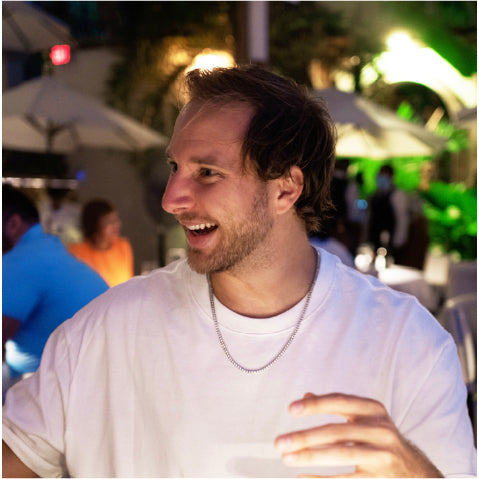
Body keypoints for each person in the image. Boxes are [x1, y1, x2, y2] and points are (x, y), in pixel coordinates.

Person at [2, 66, 475, 478]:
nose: (171, 199)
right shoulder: (101, 332)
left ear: (286, 189)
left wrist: (411, 471)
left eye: (207, 172)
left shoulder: (406, 342)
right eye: (174, 167)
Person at [2, 185, 108, 397]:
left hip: (49, 387)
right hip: (91, 380)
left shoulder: (21, 260)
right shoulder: (48, 250)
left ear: (13, 223)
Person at [69, 199, 134, 287]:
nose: (116, 225)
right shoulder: (77, 252)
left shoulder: (122, 246)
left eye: (116, 219)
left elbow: (129, 284)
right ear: (94, 225)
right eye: (108, 221)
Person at [368, 164, 409, 261]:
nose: (381, 178)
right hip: (375, 242)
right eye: (380, 175)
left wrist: (397, 242)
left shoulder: (397, 195)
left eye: (384, 175)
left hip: (391, 243)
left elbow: (402, 219)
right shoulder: (375, 195)